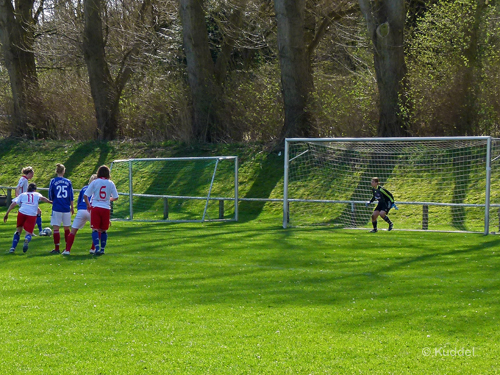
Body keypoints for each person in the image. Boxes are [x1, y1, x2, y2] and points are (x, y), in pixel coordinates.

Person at [4, 183, 52, 253]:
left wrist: (7, 213)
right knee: (29, 233)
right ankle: (26, 239)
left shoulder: (23, 194)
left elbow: (13, 203)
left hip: (22, 212)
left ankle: (12, 248)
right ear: (35, 190)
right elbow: (42, 198)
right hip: (32, 214)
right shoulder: (37, 194)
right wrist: (50, 202)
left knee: (18, 231)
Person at [84, 165, 119, 256]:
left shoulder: (95, 182)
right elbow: (116, 197)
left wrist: (88, 205)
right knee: (103, 230)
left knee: (95, 229)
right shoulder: (111, 183)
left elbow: (85, 195)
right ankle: (102, 249)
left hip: (96, 207)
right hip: (106, 208)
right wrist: (108, 199)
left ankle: (97, 248)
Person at [65, 174, 97, 255]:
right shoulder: (97, 188)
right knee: (96, 230)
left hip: (81, 210)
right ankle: (93, 249)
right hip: (91, 210)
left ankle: (67, 250)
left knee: (73, 231)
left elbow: (79, 200)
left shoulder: (84, 188)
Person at [48, 163, 74, 255]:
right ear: (64, 171)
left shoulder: (53, 181)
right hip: (66, 207)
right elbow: (71, 196)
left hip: (57, 207)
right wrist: (72, 207)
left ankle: (57, 248)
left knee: (56, 229)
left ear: (56, 171)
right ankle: (67, 248)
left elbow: (50, 195)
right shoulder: (68, 181)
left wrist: (53, 200)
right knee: (67, 228)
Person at [15, 166, 45, 236]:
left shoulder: (24, 179)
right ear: (30, 173)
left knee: (37, 212)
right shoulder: (24, 179)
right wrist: (18, 197)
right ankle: (38, 231)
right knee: (37, 212)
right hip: (24, 201)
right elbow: (18, 187)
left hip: (24, 200)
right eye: (32, 174)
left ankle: (31, 231)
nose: (32, 176)